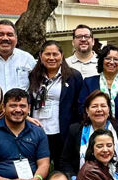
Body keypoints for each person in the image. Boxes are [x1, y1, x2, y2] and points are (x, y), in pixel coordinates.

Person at [28, 40, 84, 171]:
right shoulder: (33, 76)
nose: (51, 58)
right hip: (37, 129)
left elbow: (79, 105)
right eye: (47, 54)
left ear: (62, 56)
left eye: (55, 54)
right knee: (37, 167)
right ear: (41, 56)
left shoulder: (73, 76)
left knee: (62, 168)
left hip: (61, 131)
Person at [61, 90, 118, 177]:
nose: (99, 110)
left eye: (103, 106)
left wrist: (115, 177)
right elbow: (65, 162)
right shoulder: (75, 130)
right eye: (94, 106)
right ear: (87, 111)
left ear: (109, 110)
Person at [78, 44, 118, 126]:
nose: (111, 62)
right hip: (94, 129)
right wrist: (98, 123)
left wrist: (116, 126)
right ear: (101, 61)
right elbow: (82, 108)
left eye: (116, 59)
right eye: (107, 58)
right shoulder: (88, 82)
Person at [0, 19, 36, 92]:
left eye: (10, 35)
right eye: (0, 34)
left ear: (16, 39)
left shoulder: (27, 59)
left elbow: (38, 84)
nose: (5, 38)